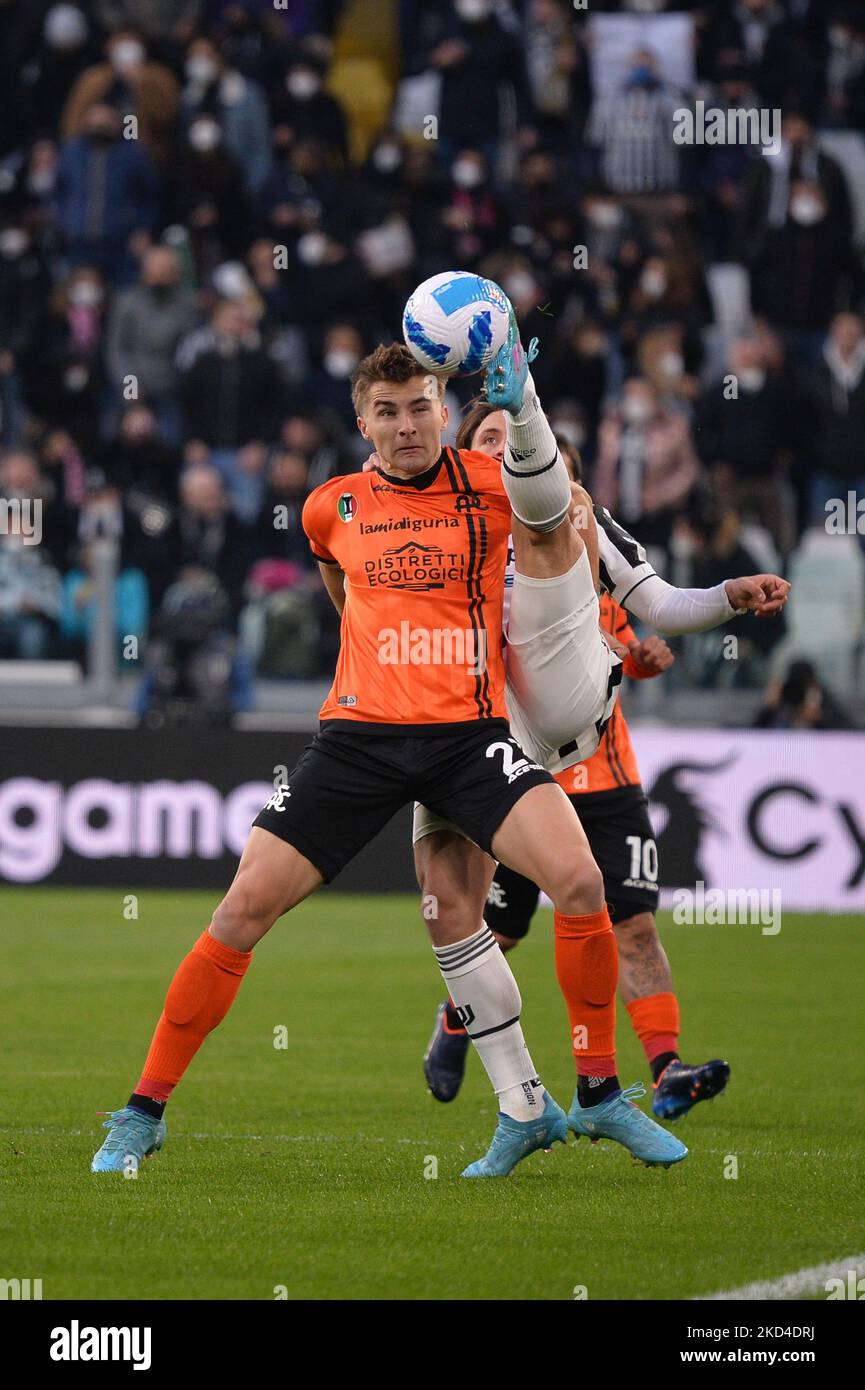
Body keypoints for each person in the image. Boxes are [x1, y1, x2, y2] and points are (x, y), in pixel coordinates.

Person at [92, 316, 692, 1179]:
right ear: (362, 421)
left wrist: (517, 380)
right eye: (387, 411)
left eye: (420, 407)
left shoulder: (499, 486)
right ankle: (142, 1111)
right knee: (238, 913)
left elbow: (558, 515)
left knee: (580, 881)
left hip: (468, 741)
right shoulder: (328, 506)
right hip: (358, 745)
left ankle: (597, 1092)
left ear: (444, 411)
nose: (406, 425)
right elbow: (343, 593)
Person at [424, 437, 731, 1120]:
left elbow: (624, 641)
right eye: (491, 447)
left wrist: (644, 658)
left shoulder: (591, 549)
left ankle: (664, 1069)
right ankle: (454, 1020)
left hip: (606, 778)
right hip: (517, 775)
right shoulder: (472, 550)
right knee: (497, 932)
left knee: (636, 927)